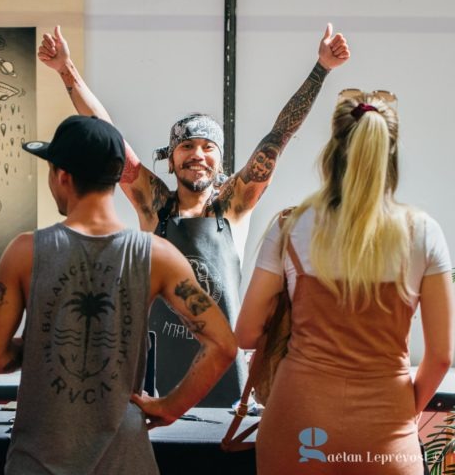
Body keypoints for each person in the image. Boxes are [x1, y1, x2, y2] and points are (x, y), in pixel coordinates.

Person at [37, 23, 350, 407]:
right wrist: (66, 70)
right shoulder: (154, 206)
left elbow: (278, 135)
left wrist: (321, 68)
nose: (197, 154)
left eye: (207, 147)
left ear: (221, 161)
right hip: (156, 383)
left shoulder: (234, 205)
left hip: (227, 377)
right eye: (186, 146)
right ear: (171, 159)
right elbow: (108, 136)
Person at [0, 115, 237, 474]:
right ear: (115, 178)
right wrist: (170, 407)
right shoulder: (158, 255)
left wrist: (44, 340)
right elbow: (223, 345)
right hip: (126, 461)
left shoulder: (24, 252)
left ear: (61, 175)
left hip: (39, 460)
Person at [235, 90, 454, 474]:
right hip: (385, 430)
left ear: (331, 155)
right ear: (391, 157)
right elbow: (441, 357)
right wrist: (402, 414)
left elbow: (247, 334)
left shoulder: (291, 228)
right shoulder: (423, 233)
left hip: (298, 424)